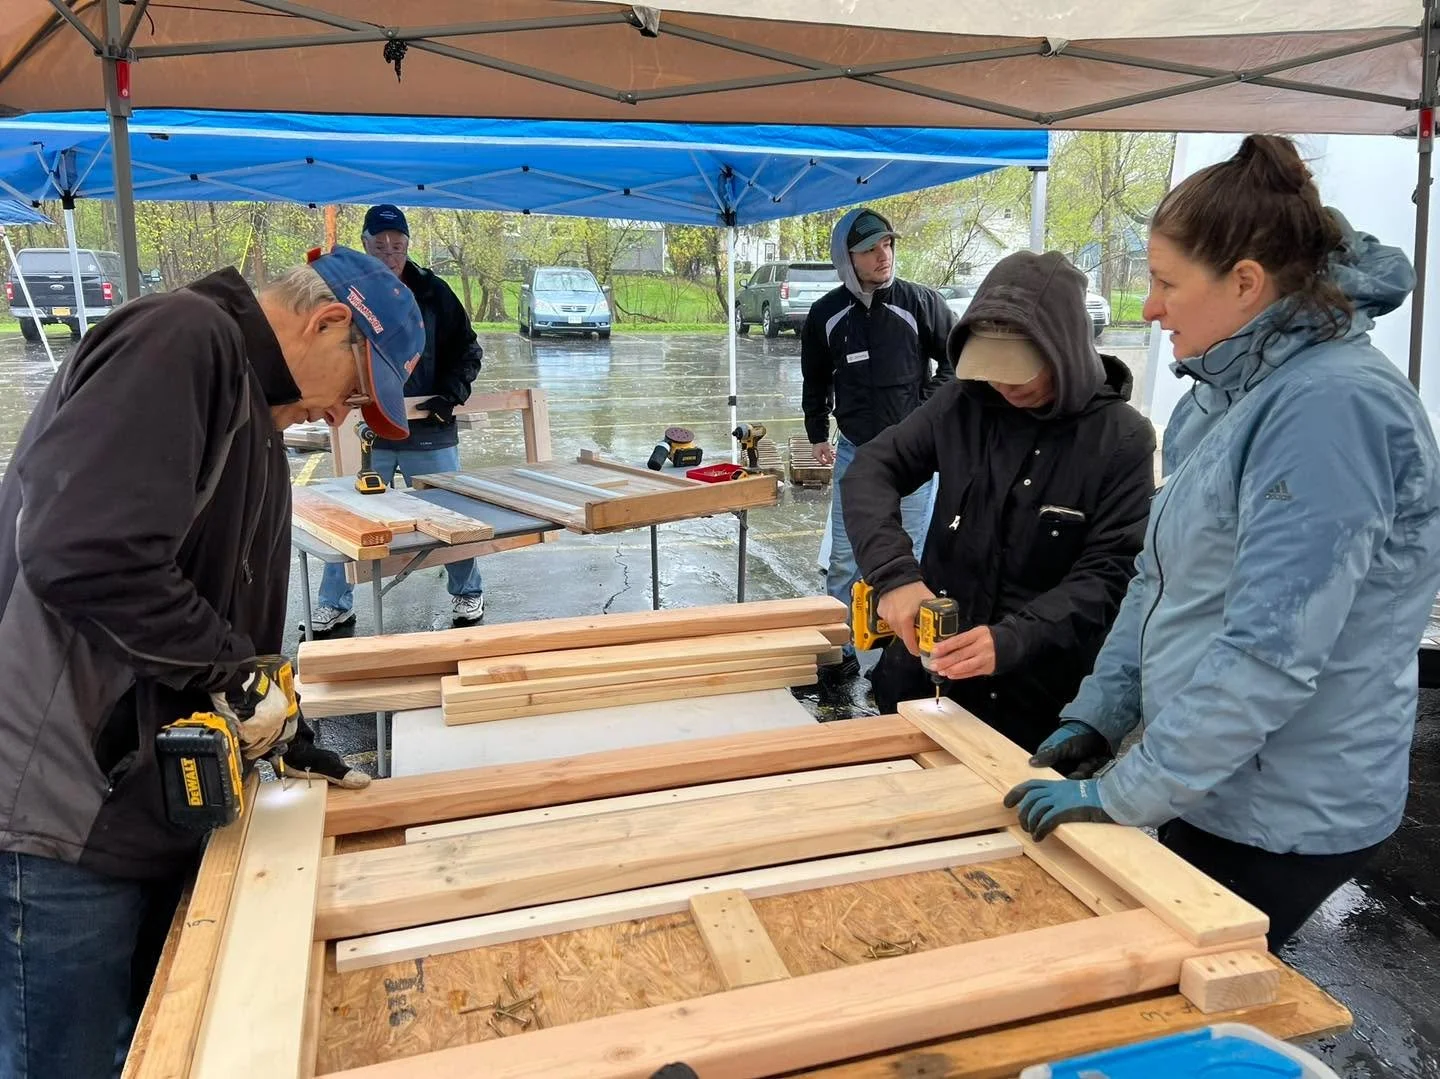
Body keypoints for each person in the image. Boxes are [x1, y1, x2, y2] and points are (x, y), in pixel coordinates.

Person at [1005, 135, 1440, 951]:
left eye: (1167, 283)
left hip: (1285, 805)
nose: (1148, 309)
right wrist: (1104, 713)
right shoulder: (1228, 388)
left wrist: (1124, 793)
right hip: (1212, 778)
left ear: (1246, 282)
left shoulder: (1329, 410)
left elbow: (1268, 653)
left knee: (1180, 991)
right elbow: (1162, 581)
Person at [0, 246, 424, 1079]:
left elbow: (205, 602)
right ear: (328, 323)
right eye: (354, 391)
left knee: (148, 1048)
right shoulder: (181, 338)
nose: (340, 418)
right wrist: (234, 674)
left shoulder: (252, 411)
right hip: (61, 810)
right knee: (65, 1060)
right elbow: (81, 551)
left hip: (132, 801)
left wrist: (277, 717)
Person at [843, 251, 1155, 751]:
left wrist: (1012, 640)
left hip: (1033, 704)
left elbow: (1108, 575)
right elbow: (872, 469)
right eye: (992, 368)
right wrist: (895, 576)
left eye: (1020, 371)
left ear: (1066, 352)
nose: (1005, 385)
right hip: (921, 682)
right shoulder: (963, 404)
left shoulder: (1121, 440)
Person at [312, 204, 486, 634]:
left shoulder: (432, 291)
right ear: (365, 245)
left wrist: (451, 395)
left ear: (408, 246)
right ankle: (335, 602)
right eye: (379, 245)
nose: (389, 254)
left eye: (397, 245)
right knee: (351, 517)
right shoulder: (346, 291)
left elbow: (468, 350)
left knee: (452, 516)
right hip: (368, 428)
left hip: (429, 428)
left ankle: (467, 592)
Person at [801, 206, 955, 683]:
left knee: (910, 558)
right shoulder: (826, 314)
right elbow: (815, 379)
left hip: (912, 459)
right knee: (847, 559)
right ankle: (840, 650)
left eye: (887, 245)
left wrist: (923, 416)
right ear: (846, 258)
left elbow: (957, 363)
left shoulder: (919, 303)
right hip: (854, 453)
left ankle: (905, 659)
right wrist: (816, 434)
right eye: (869, 249)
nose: (882, 256)